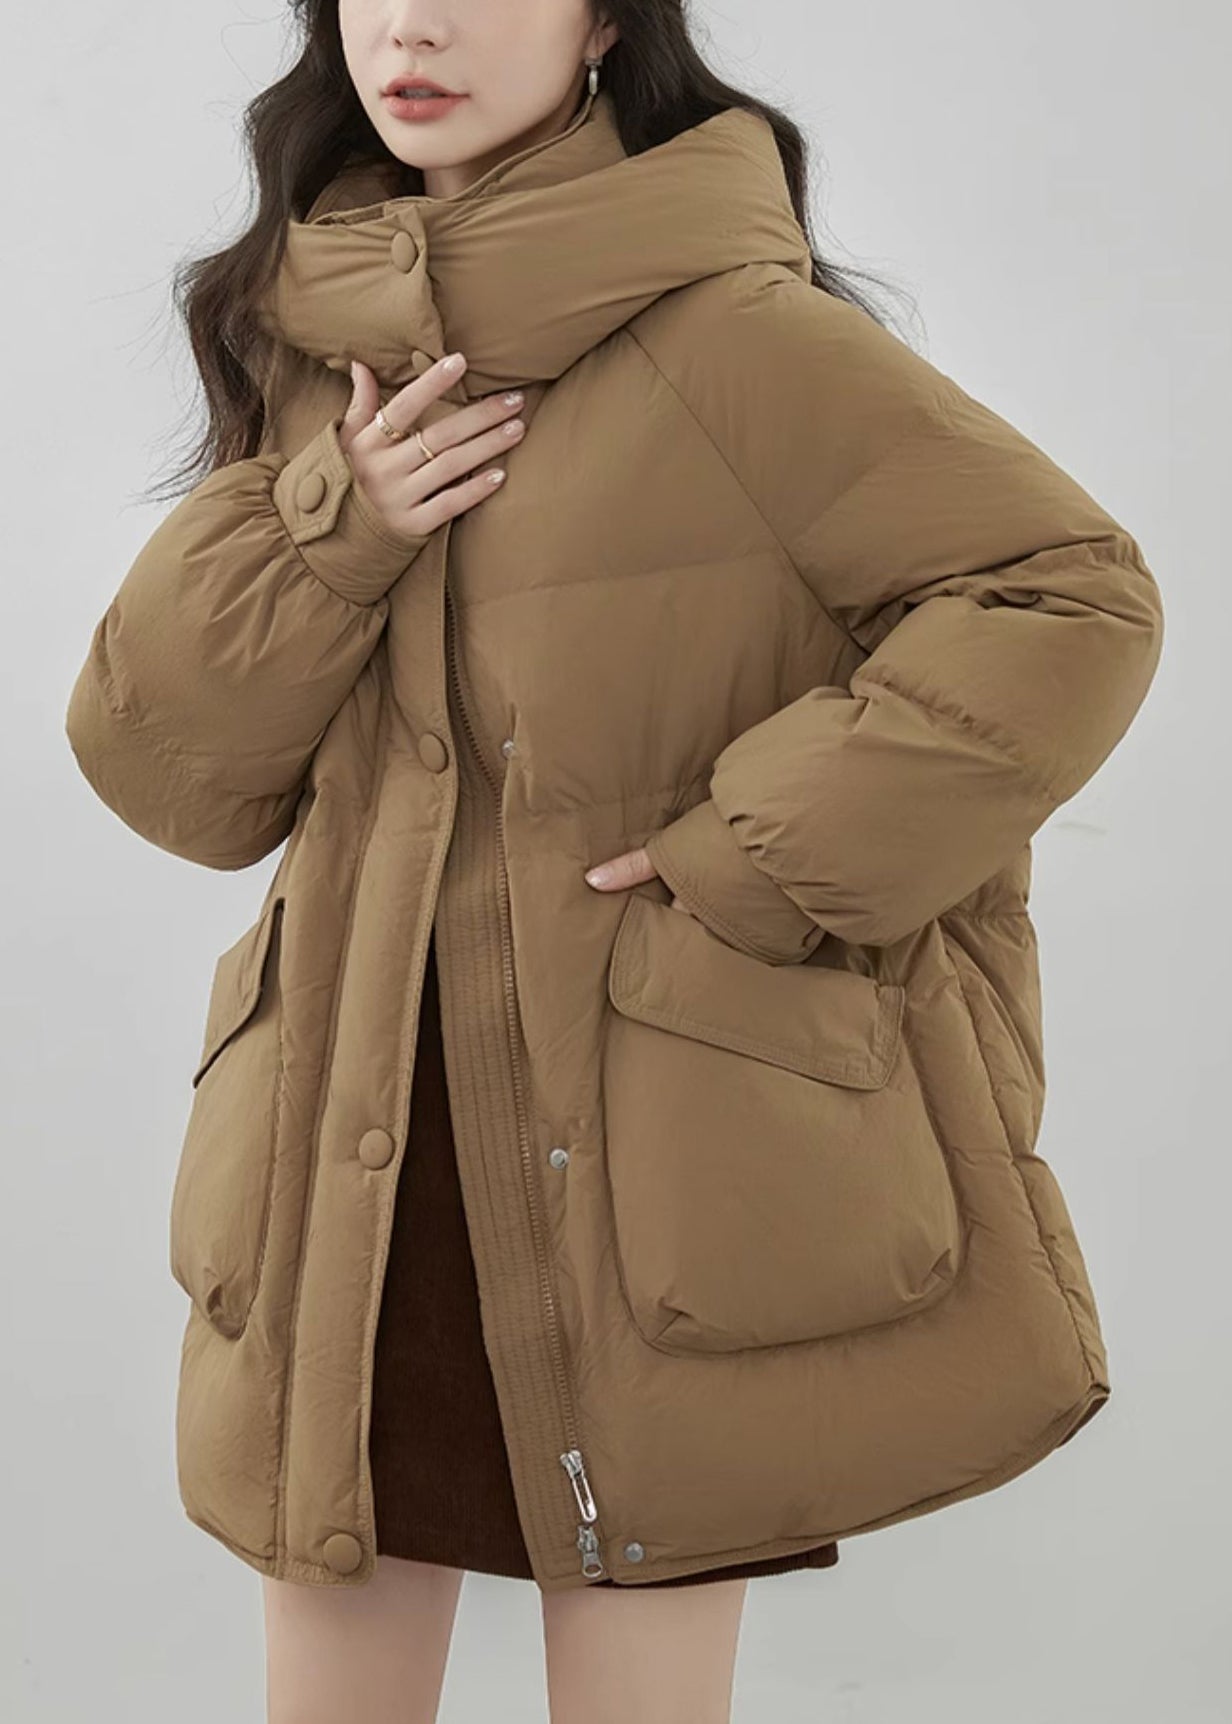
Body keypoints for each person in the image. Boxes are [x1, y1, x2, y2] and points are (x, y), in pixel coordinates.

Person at [63, 2, 1165, 1721]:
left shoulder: (731, 332)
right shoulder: (309, 342)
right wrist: (336, 525)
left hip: (657, 1144)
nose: (412, 26)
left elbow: (1068, 599)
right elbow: (171, 779)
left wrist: (757, 858)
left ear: (602, 23)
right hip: (354, 1154)